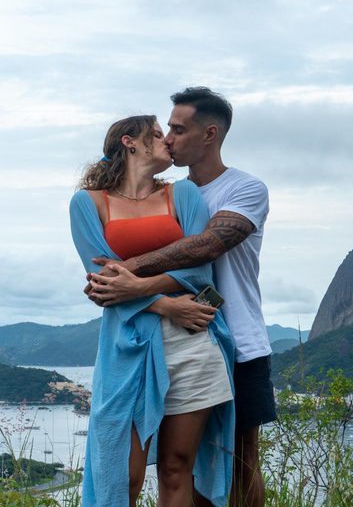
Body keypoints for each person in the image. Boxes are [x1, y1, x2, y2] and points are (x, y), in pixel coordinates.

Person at [85, 88, 276, 507]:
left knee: (239, 460)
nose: (168, 138)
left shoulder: (245, 188)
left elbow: (208, 246)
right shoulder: (173, 194)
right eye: (164, 130)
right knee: (179, 468)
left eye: (177, 129)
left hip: (239, 340)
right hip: (169, 337)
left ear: (209, 134)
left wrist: (129, 271)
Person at [69, 115, 236, 507]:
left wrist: (140, 286)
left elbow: (199, 269)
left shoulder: (185, 194)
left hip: (192, 344)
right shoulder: (89, 202)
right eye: (158, 134)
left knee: (177, 469)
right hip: (127, 347)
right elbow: (101, 276)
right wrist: (164, 305)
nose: (169, 142)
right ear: (130, 142)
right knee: (123, 475)